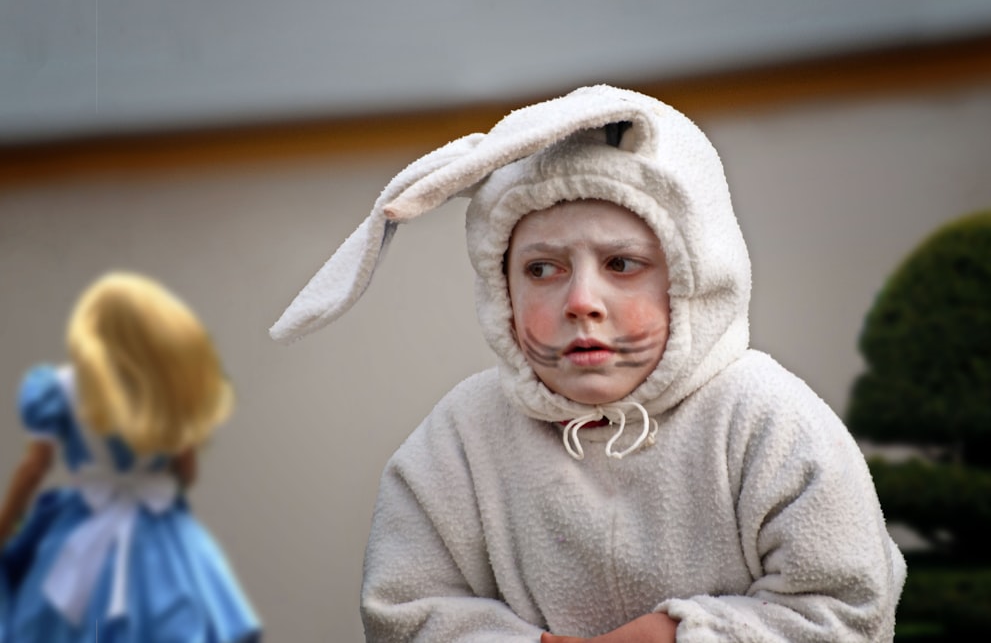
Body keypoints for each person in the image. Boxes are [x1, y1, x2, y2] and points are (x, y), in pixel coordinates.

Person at [270, 84, 905, 641]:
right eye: (541, 269)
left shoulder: (768, 419)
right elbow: (405, 610)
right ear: (502, 291)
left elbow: (845, 608)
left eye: (623, 265)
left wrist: (681, 638)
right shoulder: (461, 438)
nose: (581, 302)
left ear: (694, 277)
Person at [0, 271, 261, 643]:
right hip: (160, 530)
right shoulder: (169, 392)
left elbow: (33, 468)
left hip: (81, 525)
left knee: (62, 620)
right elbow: (186, 472)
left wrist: (4, 525)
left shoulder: (60, 388)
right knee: (175, 618)